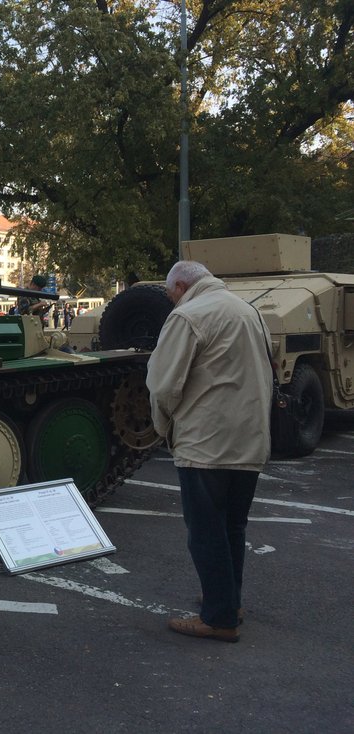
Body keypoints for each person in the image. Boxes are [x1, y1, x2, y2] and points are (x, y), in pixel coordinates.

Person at [146, 260, 272, 643]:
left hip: (206, 442)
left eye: (170, 295)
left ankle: (218, 618)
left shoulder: (188, 316)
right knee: (232, 526)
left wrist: (163, 427)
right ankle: (228, 600)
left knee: (205, 531)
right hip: (250, 439)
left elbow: (163, 385)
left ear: (181, 287)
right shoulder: (249, 312)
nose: (171, 301)